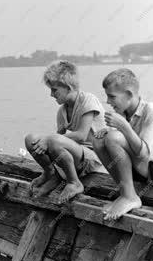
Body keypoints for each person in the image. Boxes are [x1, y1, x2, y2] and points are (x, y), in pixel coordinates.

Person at [25, 61, 107, 203]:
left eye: (54, 90)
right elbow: (55, 145)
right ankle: (51, 173)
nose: (51, 94)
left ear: (68, 88)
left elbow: (81, 136)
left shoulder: (88, 100)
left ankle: (74, 182)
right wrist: (46, 142)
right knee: (30, 139)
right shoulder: (62, 111)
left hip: (94, 157)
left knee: (53, 139)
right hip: (76, 156)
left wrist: (50, 138)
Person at [92, 68, 153, 220]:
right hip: (142, 170)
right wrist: (106, 131)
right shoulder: (123, 113)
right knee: (98, 139)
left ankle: (130, 197)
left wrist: (124, 127)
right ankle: (126, 192)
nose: (108, 102)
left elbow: (144, 155)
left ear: (129, 94)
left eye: (112, 97)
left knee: (114, 138)